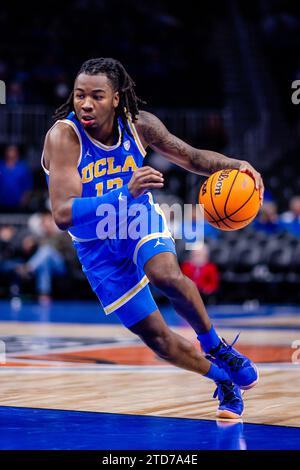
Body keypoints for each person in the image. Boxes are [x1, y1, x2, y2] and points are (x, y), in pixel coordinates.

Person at [41, 58, 264, 419]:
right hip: (96, 244)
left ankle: (216, 346)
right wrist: (122, 194)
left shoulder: (139, 125)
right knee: (158, 339)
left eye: (96, 96)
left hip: (136, 219)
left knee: (167, 275)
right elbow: (63, 213)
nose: (85, 103)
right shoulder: (63, 137)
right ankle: (224, 380)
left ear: (115, 98)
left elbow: (191, 157)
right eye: (80, 94)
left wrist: (235, 165)